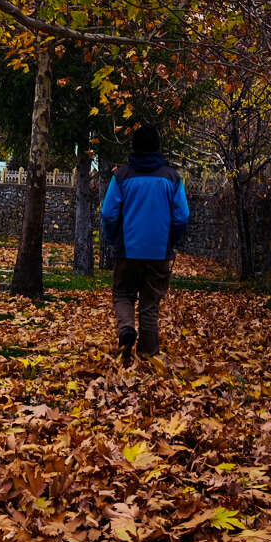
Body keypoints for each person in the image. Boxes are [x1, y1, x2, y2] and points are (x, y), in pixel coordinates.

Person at [100, 125, 190, 366]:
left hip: (128, 250)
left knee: (122, 293)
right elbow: (182, 216)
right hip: (159, 252)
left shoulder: (122, 177)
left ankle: (127, 329)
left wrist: (113, 238)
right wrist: (172, 239)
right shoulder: (172, 178)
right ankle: (149, 354)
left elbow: (108, 213)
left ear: (134, 147)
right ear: (157, 147)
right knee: (150, 303)